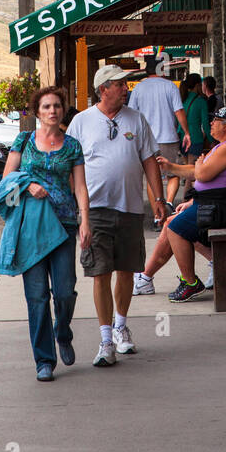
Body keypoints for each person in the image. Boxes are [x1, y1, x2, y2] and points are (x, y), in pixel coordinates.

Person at [66, 65, 166, 366]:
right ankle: (106, 338)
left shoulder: (136, 119)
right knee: (100, 272)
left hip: (130, 207)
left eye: (126, 84)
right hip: (94, 209)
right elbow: (69, 164)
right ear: (103, 89)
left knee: (126, 269)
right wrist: (75, 205)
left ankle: (121, 327)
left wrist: (158, 198)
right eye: (120, 85)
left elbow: (149, 161)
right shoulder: (81, 122)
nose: (126, 89)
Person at [0, 86, 90, 383]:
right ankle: (44, 359)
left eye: (57, 107)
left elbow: (80, 187)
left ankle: (62, 331)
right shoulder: (24, 141)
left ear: (63, 111)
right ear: (37, 112)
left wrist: (85, 220)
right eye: (46, 106)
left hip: (63, 226)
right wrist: (28, 186)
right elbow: (7, 178)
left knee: (64, 291)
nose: (52, 111)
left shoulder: (72, 145)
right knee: (36, 297)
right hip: (31, 227)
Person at [154, 106, 226, 301]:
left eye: (215, 120)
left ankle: (190, 283)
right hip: (216, 205)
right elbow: (196, 170)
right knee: (176, 222)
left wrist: (199, 166)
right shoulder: (221, 146)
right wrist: (171, 166)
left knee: (175, 227)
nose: (211, 124)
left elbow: (202, 173)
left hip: (225, 208)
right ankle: (202, 272)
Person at [128, 55, 190, 220]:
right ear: (161, 69)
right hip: (168, 138)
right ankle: (169, 202)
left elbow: (131, 114)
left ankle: (157, 214)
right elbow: (179, 111)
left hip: (145, 140)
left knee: (151, 176)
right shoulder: (170, 87)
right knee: (174, 174)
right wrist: (187, 132)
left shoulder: (138, 89)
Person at [179, 72, 212, 163]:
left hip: (182, 139)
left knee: (185, 170)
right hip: (195, 139)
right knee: (192, 172)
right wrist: (212, 140)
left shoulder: (181, 99)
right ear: (197, 85)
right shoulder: (201, 101)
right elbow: (205, 125)